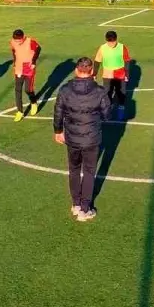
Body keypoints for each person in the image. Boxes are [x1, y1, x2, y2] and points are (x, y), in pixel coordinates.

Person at [53, 57, 112, 222]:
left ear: (76, 70)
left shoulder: (65, 90)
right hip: (92, 138)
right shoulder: (100, 91)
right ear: (92, 71)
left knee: (73, 169)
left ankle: (76, 204)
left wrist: (58, 131)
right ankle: (85, 209)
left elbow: (58, 112)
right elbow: (107, 115)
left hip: (72, 137)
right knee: (89, 171)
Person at [94, 30, 132, 120]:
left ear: (116, 39)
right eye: (109, 42)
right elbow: (97, 61)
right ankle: (108, 110)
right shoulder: (102, 48)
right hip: (108, 75)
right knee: (107, 93)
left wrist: (127, 74)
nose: (111, 44)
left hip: (120, 74)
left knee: (121, 92)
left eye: (113, 42)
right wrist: (94, 73)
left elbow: (127, 61)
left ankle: (121, 109)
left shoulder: (122, 47)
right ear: (106, 40)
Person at [10, 29, 41, 122]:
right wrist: (15, 63)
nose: (17, 41)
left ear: (23, 37)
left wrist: (34, 61)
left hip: (28, 67)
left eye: (18, 40)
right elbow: (14, 51)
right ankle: (20, 111)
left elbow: (38, 49)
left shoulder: (30, 42)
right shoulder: (12, 42)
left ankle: (33, 102)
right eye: (15, 39)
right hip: (19, 67)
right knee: (18, 89)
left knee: (28, 89)